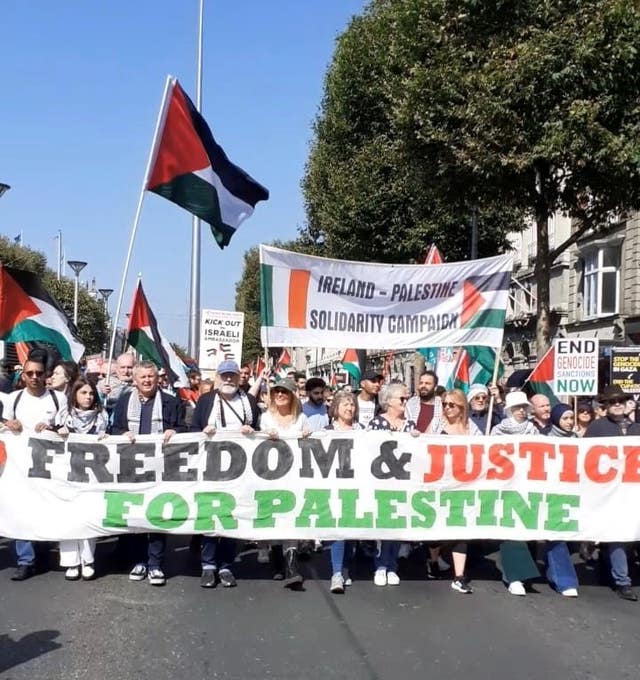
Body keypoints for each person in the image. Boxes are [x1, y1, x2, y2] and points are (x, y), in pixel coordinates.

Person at [110, 361, 185, 586]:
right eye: (142, 377)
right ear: (135, 379)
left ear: (157, 378)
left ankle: (155, 563)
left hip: (161, 467)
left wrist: (175, 431)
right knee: (137, 516)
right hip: (132, 467)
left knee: (156, 514)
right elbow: (114, 429)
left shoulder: (171, 402)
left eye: (150, 376)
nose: (146, 381)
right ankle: (139, 561)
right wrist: (123, 433)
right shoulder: (124, 402)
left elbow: (185, 429)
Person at [190, 359, 260, 588]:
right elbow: (192, 432)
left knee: (232, 515)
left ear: (239, 378)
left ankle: (227, 565)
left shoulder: (248, 401)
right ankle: (208, 565)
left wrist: (252, 432)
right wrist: (203, 432)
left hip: (240, 469)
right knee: (211, 515)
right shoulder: (206, 400)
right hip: (211, 468)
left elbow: (259, 432)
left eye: (232, 375)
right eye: (224, 376)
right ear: (218, 378)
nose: (228, 379)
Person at [1, 354, 67, 581]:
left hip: (48, 467)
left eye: (39, 373)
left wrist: (51, 427)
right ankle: (25, 560)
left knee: (44, 509)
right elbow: (4, 427)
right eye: (30, 373)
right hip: (19, 468)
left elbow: (65, 428)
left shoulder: (58, 399)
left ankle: (42, 549)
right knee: (21, 511)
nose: (35, 377)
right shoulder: (13, 399)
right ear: (23, 375)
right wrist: (9, 424)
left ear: (46, 375)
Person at [585, 384, 640, 601]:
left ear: (627, 403)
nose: (616, 405)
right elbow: (586, 459)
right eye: (612, 402)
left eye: (620, 401)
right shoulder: (597, 429)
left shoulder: (637, 429)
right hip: (607, 492)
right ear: (605, 406)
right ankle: (622, 581)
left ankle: (608, 563)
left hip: (633, 492)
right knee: (618, 535)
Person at [55, 378, 109, 581]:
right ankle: (71, 562)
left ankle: (88, 560)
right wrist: (55, 431)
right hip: (67, 476)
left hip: (92, 477)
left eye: (91, 393)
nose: (88, 397)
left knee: (88, 518)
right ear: (74, 395)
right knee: (69, 518)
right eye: (83, 393)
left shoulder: (102, 418)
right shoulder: (64, 416)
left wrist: (107, 439)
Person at [426, 388, 479, 593]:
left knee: (461, 530)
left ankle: (459, 576)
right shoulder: (438, 425)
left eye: (451, 405)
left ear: (461, 407)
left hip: (463, 485)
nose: (447, 408)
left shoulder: (470, 428)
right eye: (444, 404)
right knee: (437, 529)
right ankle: (433, 561)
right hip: (439, 484)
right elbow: (424, 445)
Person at [259, 379, 311, 589]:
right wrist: (265, 435)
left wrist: (308, 435)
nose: (280, 395)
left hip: (294, 475)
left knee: (291, 515)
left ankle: (291, 566)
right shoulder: (266, 418)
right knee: (276, 516)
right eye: (277, 391)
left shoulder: (302, 418)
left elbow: (310, 443)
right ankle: (277, 558)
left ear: (292, 396)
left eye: (285, 392)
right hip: (271, 475)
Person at [367, 382, 418, 587]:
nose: (405, 402)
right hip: (381, 482)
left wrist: (417, 439)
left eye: (406, 399)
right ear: (388, 402)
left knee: (397, 526)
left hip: (403, 483)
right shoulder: (376, 423)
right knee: (382, 526)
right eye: (402, 399)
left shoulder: (410, 425)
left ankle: (392, 565)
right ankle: (380, 565)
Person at [490, 390, 540, 595]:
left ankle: (526, 574)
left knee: (526, 529)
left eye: (524, 407)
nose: (521, 411)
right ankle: (513, 576)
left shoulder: (533, 430)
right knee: (510, 530)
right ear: (509, 410)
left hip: (527, 484)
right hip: (505, 485)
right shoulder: (497, 431)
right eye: (517, 408)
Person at [324, 390, 363, 594]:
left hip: (356, 487)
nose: (350, 408)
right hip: (334, 486)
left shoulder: (362, 430)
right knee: (338, 528)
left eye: (352, 405)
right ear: (336, 408)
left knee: (350, 530)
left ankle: (345, 565)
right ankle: (336, 573)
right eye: (345, 404)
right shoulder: (327, 430)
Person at [542, 403, 580, 597]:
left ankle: (551, 569)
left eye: (571, 418)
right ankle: (565, 582)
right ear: (556, 419)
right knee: (556, 536)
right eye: (565, 418)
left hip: (572, 493)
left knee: (570, 538)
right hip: (550, 494)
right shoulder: (544, 438)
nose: (569, 422)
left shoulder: (577, 439)